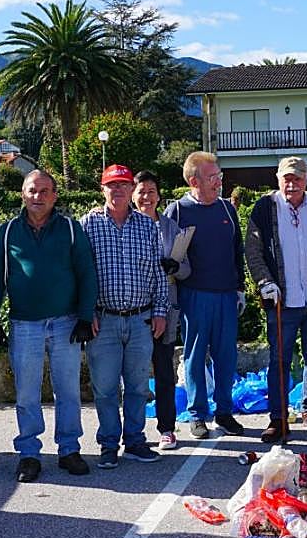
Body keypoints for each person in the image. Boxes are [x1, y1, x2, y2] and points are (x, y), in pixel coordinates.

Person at [0, 170, 97, 482]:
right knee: (27, 393)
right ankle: (29, 453)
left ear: (55, 195)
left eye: (45, 191)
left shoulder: (71, 230)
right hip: (24, 324)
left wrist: (86, 317)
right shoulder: (8, 233)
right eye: (32, 190)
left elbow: (87, 273)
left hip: (66, 323)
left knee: (68, 391)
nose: (38, 196)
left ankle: (69, 449)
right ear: (23, 193)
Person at [246, 156, 307, 442]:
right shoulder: (265, 208)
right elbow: (253, 251)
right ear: (278, 179)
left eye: (298, 177)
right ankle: (278, 418)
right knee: (279, 360)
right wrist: (265, 282)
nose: (292, 183)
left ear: (306, 179)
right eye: (287, 178)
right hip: (282, 302)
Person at [80, 164, 168, 469]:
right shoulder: (88, 225)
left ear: (132, 189)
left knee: (138, 386)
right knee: (104, 388)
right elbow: (80, 273)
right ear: (102, 190)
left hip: (140, 320)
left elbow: (158, 274)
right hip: (102, 321)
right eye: (111, 185)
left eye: (123, 185)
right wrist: (85, 312)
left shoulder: (147, 227)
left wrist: (160, 312)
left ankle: (135, 441)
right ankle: (107, 444)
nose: (117, 190)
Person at [163, 152, 247, 443]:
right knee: (195, 356)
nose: (219, 182)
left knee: (227, 356)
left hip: (226, 294)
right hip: (195, 295)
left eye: (219, 176)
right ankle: (197, 414)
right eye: (213, 178)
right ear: (193, 181)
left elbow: (238, 251)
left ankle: (224, 411)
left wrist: (240, 289)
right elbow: (169, 254)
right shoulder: (178, 210)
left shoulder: (227, 209)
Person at [134, 170, 194, 451]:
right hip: (132, 308)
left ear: (159, 196)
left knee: (164, 370)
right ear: (133, 196)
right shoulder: (125, 225)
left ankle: (167, 428)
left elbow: (187, 268)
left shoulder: (171, 227)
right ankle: (130, 431)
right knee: (131, 373)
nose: (146, 197)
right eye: (141, 192)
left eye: (151, 191)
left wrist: (176, 267)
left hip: (165, 308)